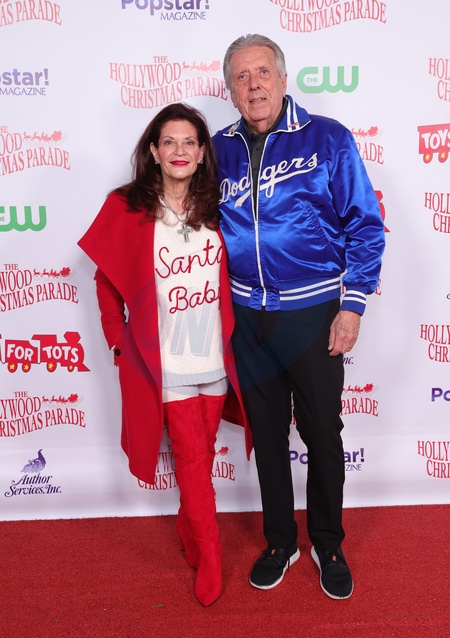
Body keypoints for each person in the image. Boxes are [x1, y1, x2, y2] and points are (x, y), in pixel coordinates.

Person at [213, 34, 385, 599]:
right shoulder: (218, 150)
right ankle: (280, 542)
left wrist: (352, 305)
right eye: (242, 77)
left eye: (263, 72)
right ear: (230, 90)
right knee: (266, 435)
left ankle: (328, 543)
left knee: (321, 434)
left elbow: (365, 225)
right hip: (248, 318)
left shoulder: (327, 138)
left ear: (284, 80)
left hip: (313, 313)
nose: (254, 85)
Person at [78, 102, 251, 607]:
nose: (179, 151)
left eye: (189, 142)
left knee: (200, 454)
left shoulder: (220, 204)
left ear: (202, 153)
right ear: (153, 151)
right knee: (192, 459)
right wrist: (117, 341)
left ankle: (188, 527)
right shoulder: (127, 206)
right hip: (167, 362)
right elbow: (105, 281)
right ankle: (211, 553)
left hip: (215, 358)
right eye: (169, 142)